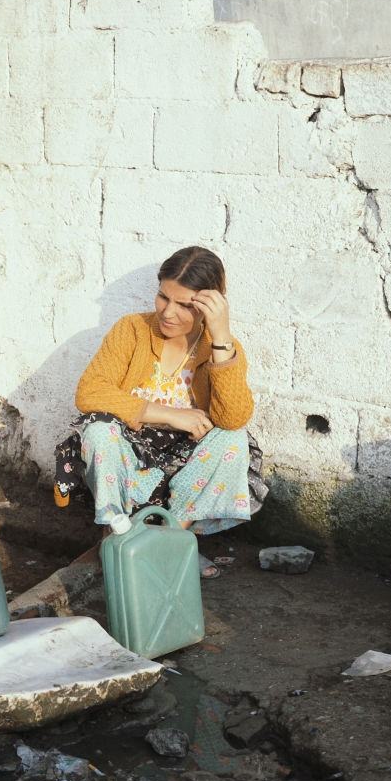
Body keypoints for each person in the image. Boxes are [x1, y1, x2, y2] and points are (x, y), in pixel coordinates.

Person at [54, 246, 266, 577]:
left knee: (233, 440)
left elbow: (233, 418)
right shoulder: (132, 330)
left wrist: (221, 336)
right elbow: (89, 392)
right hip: (131, 453)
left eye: (184, 305)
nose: (168, 312)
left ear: (210, 306)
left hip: (184, 460)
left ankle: (171, 543)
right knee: (98, 430)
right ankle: (117, 539)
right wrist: (169, 414)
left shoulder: (219, 347)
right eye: (163, 297)